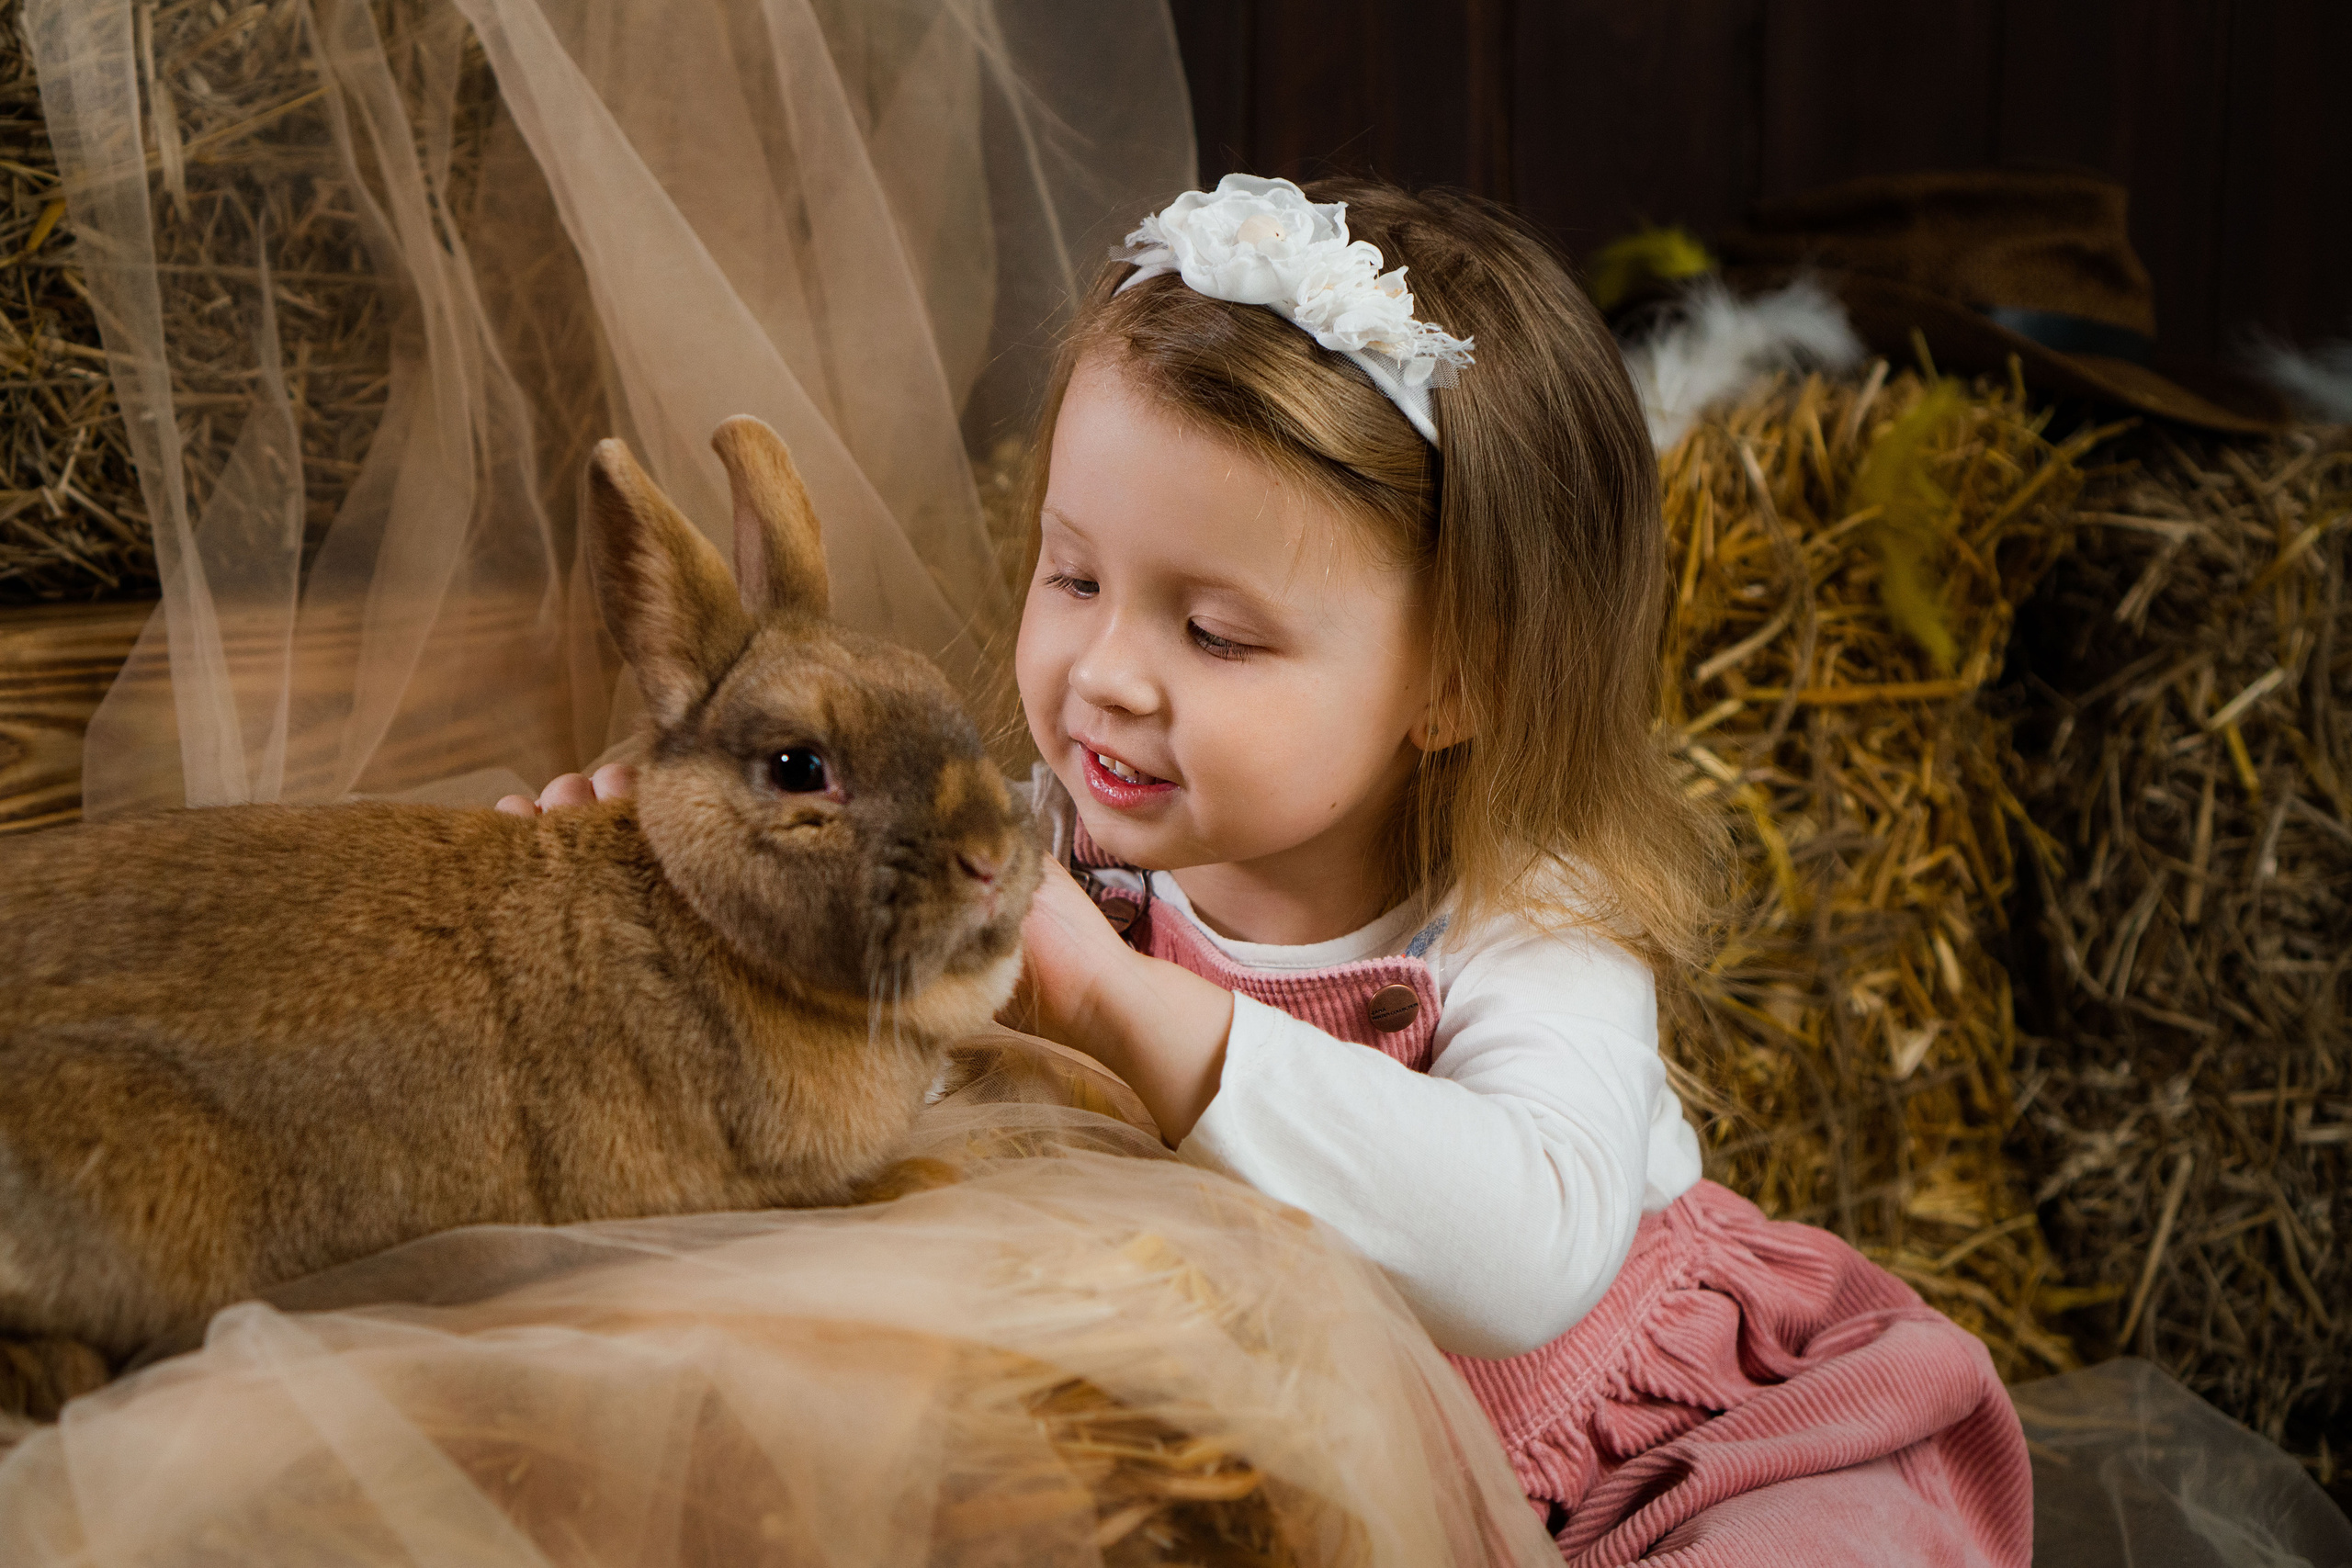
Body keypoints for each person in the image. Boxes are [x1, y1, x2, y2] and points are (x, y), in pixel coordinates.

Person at [504, 174, 2031, 1566]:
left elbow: (1527, 1259)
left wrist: (1112, 1001)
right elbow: (808, 1026)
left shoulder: (1530, 916)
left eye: (1215, 633)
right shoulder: (1019, 845)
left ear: (1460, 680)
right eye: (1072, 573)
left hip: (1653, 1452)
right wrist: (671, 871)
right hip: (1285, 1475)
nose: (1106, 673)